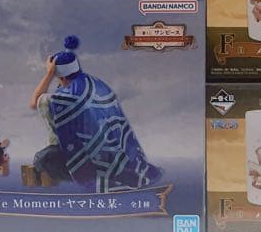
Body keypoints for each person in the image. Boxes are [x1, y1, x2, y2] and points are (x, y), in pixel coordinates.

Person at [28, 35, 162, 192]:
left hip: (95, 163)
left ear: (61, 76)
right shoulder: (97, 84)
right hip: (122, 155)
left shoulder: (65, 98)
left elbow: (35, 101)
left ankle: (90, 178)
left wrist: (49, 73)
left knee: (42, 159)